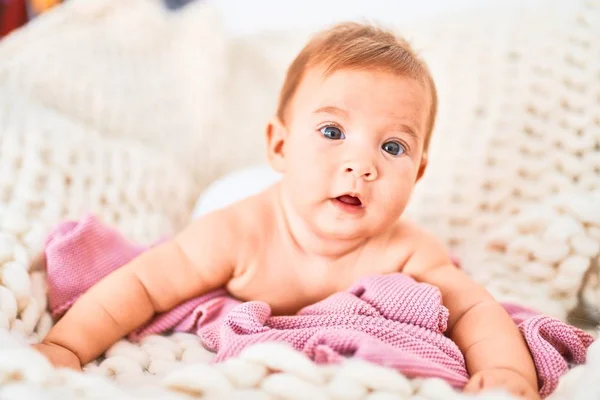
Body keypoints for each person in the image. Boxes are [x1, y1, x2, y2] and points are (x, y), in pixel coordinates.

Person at [32, 22, 539, 399]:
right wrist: (67, 348)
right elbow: (141, 284)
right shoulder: (237, 232)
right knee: (203, 218)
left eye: (392, 148)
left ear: (419, 173)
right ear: (278, 145)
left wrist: (509, 374)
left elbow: (475, 310)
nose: (360, 165)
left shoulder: (407, 249)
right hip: (234, 194)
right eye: (332, 132)